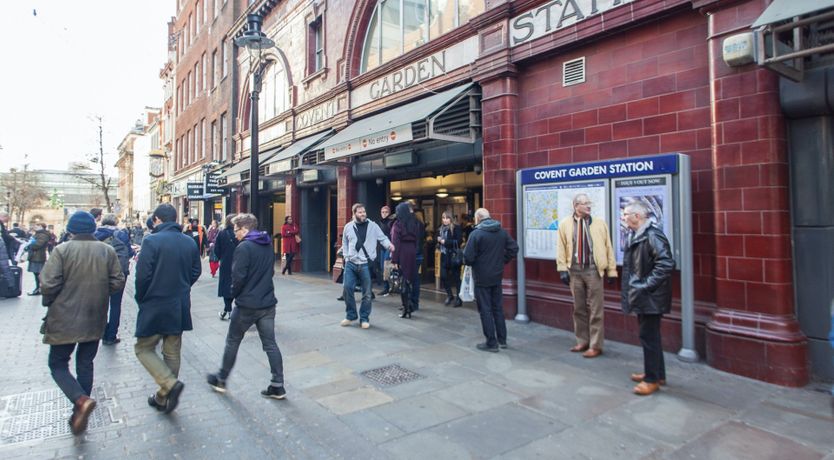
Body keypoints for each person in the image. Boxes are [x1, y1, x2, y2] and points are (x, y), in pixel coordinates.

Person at [39, 211, 125, 435]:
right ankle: (81, 409)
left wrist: (52, 300)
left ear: (71, 229)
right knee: (85, 363)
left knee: (58, 364)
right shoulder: (106, 251)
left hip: (63, 317)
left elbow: (48, 284)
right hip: (94, 315)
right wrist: (100, 294)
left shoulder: (62, 250)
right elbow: (118, 280)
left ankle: (80, 401)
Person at [206, 213, 286, 399]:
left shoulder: (244, 247)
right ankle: (278, 385)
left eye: (236, 230)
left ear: (245, 229)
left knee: (233, 341)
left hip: (247, 305)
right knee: (270, 344)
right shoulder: (266, 244)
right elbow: (270, 273)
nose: (235, 234)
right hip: (267, 303)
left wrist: (234, 294)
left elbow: (238, 278)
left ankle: (221, 379)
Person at [134, 204, 201, 414]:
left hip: (155, 302)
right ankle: (163, 398)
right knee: (172, 351)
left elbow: (142, 275)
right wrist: (183, 286)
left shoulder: (151, 240)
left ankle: (168, 385)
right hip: (178, 303)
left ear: (157, 220)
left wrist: (142, 296)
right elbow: (196, 270)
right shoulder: (189, 241)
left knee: (144, 348)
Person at [620, 201, 674, 396]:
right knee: (651, 336)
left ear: (637, 216)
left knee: (648, 336)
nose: (623, 217)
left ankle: (651, 380)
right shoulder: (640, 234)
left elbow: (666, 263)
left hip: (650, 297)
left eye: (626, 214)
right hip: (646, 296)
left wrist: (645, 286)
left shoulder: (652, 235)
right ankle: (657, 373)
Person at [556, 193, 617, 359]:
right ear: (576, 206)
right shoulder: (565, 224)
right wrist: (562, 269)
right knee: (579, 308)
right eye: (585, 203)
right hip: (574, 271)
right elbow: (561, 247)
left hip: (593, 270)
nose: (589, 206)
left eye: (589, 203)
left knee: (596, 309)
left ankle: (596, 345)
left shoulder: (599, 224)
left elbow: (608, 247)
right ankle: (582, 340)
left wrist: (611, 270)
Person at [462, 208, 518, 352]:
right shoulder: (501, 232)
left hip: (481, 277)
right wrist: (502, 261)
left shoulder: (476, 234)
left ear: (479, 218)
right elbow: (514, 248)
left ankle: (491, 342)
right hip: (497, 275)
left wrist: (475, 262)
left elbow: (468, 258)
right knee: (497, 308)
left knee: (485, 309)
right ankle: (502, 339)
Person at [340, 203, 394, 329]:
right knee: (347, 288)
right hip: (351, 263)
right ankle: (350, 315)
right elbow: (345, 243)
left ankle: (364, 318)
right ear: (354, 214)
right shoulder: (348, 227)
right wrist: (347, 256)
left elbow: (383, 238)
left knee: (367, 293)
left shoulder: (373, 226)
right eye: (359, 212)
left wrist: (389, 245)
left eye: (364, 211)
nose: (363, 214)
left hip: (365, 263)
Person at [95, 214, 131, 345]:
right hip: (118, 273)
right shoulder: (121, 234)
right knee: (115, 305)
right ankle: (111, 335)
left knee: (100, 304)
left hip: (98, 273)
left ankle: (102, 331)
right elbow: (129, 252)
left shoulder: (95, 234)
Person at [391, 202, 421, 319]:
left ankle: (406, 309)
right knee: (409, 280)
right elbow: (417, 239)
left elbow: (395, 243)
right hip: (412, 251)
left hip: (402, 252)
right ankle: (409, 307)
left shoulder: (398, 224)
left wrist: (394, 260)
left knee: (403, 281)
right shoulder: (414, 223)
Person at [214, 214, 239, 320]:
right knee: (236, 285)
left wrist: (222, 258)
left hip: (225, 263)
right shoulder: (239, 233)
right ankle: (228, 310)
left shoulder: (222, 233)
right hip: (239, 263)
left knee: (226, 287)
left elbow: (216, 250)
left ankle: (228, 310)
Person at [437, 211, 463, 307]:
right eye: (443, 218)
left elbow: (459, 241)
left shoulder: (456, 227)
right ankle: (449, 295)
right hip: (444, 255)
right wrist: (439, 241)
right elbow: (440, 240)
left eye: (447, 218)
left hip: (453, 256)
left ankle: (459, 299)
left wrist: (445, 241)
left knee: (456, 278)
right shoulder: (441, 228)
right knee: (443, 276)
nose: (445, 220)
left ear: (451, 219)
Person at [26, 223, 50, 296]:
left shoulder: (43, 235)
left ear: (41, 227)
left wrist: (29, 245)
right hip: (35, 256)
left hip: (38, 256)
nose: (35, 227)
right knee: (36, 273)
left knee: (38, 273)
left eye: (37, 226)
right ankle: (38, 288)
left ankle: (39, 288)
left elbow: (38, 244)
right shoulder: (38, 234)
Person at [377, 206, 395, 295]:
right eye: (382, 212)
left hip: (389, 247)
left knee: (386, 267)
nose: (384, 214)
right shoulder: (380, 222)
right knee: (382, 267)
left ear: (389, 213)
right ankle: (386, 287)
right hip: (382, 247)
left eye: (386, 212)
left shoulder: (391, 222)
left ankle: (388, 287)